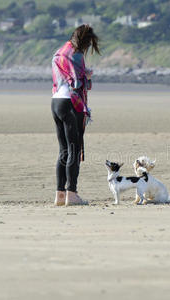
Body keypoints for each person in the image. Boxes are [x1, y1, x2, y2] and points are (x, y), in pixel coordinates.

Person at [51, 24, 100, 206]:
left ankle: (60, 195)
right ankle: (72, 194)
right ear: (85, 41)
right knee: (74, 149)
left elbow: (61, 78)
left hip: (56, 101)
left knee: (63, 150)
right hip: (71, 103)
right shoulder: (76, 54)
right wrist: (87, 76)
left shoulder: (60, 51)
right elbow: (78, 82)